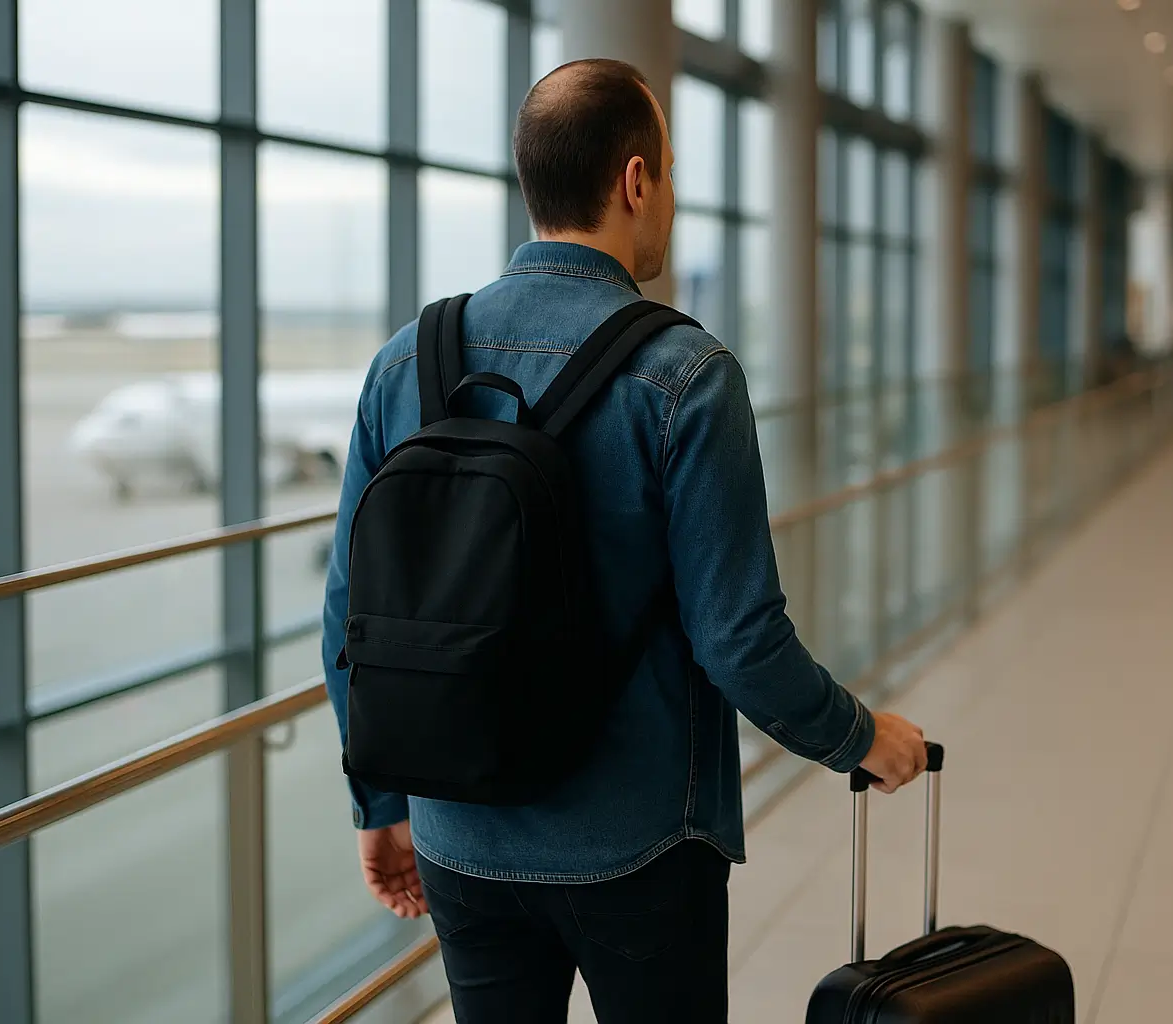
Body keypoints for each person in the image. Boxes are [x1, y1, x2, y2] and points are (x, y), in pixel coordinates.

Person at [320, 59, 929, 1024]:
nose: (673, 202)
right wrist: (860, 737)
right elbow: (739, 639)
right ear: (635, 180)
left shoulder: (405, 361)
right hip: (635, 846)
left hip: (457, 836)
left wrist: (382, 803)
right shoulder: (685, 372)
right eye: (672, 176)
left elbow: (349, 612)